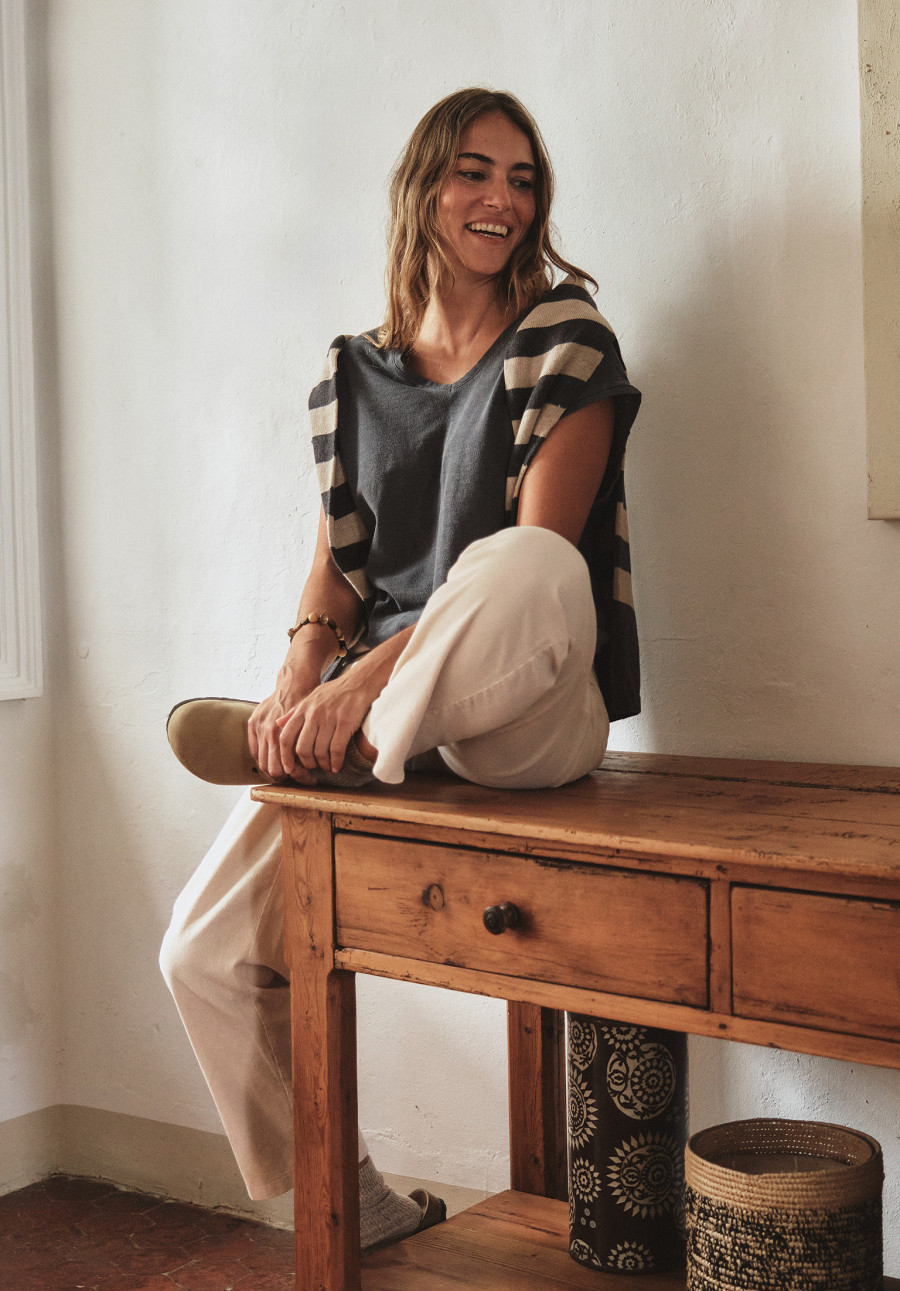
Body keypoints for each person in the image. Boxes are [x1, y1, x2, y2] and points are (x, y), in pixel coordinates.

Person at [161, 87, 641, 1254]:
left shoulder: (567, 339)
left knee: (521, 559)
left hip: (528, 711)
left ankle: (341, 744)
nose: (501, 198)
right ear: (424, 186)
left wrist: (355, 687)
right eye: (474, 171)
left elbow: (547, 547)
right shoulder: (353, 373)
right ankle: (357, 1199)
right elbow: (339, 567)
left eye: (522, 179)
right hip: (385, 727)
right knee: (204, 951)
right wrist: (299, 666)